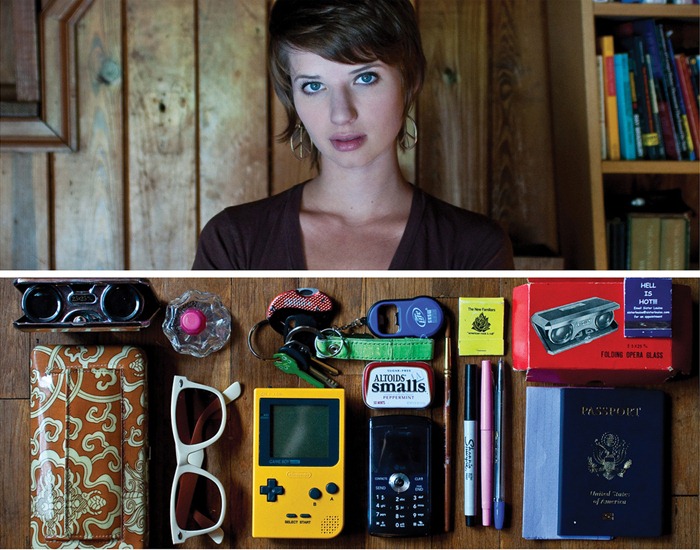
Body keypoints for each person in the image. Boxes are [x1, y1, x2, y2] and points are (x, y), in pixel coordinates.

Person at [192, 0, 514, 270]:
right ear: (292, 97)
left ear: (410, 80)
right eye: (313, 86)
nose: (341, 114)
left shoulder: (475, 248)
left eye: (365, 78)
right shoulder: (233, 241)